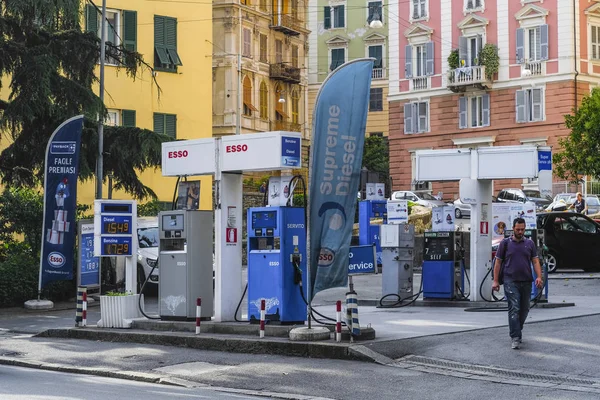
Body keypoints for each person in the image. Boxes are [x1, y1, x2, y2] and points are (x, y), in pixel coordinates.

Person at [492, 217, 543, 350]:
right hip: (510, 280)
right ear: (513, 229)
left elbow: (535, 261)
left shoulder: (530, 244)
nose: (520, 232)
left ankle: (517, 328)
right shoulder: (505, 243)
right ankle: (515, 337)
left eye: (522, 229)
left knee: (525, 309)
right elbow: (497, 262)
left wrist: (539, 276)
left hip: (526, 280)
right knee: (514, 308)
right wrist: (495, 280)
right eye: (518, 229)